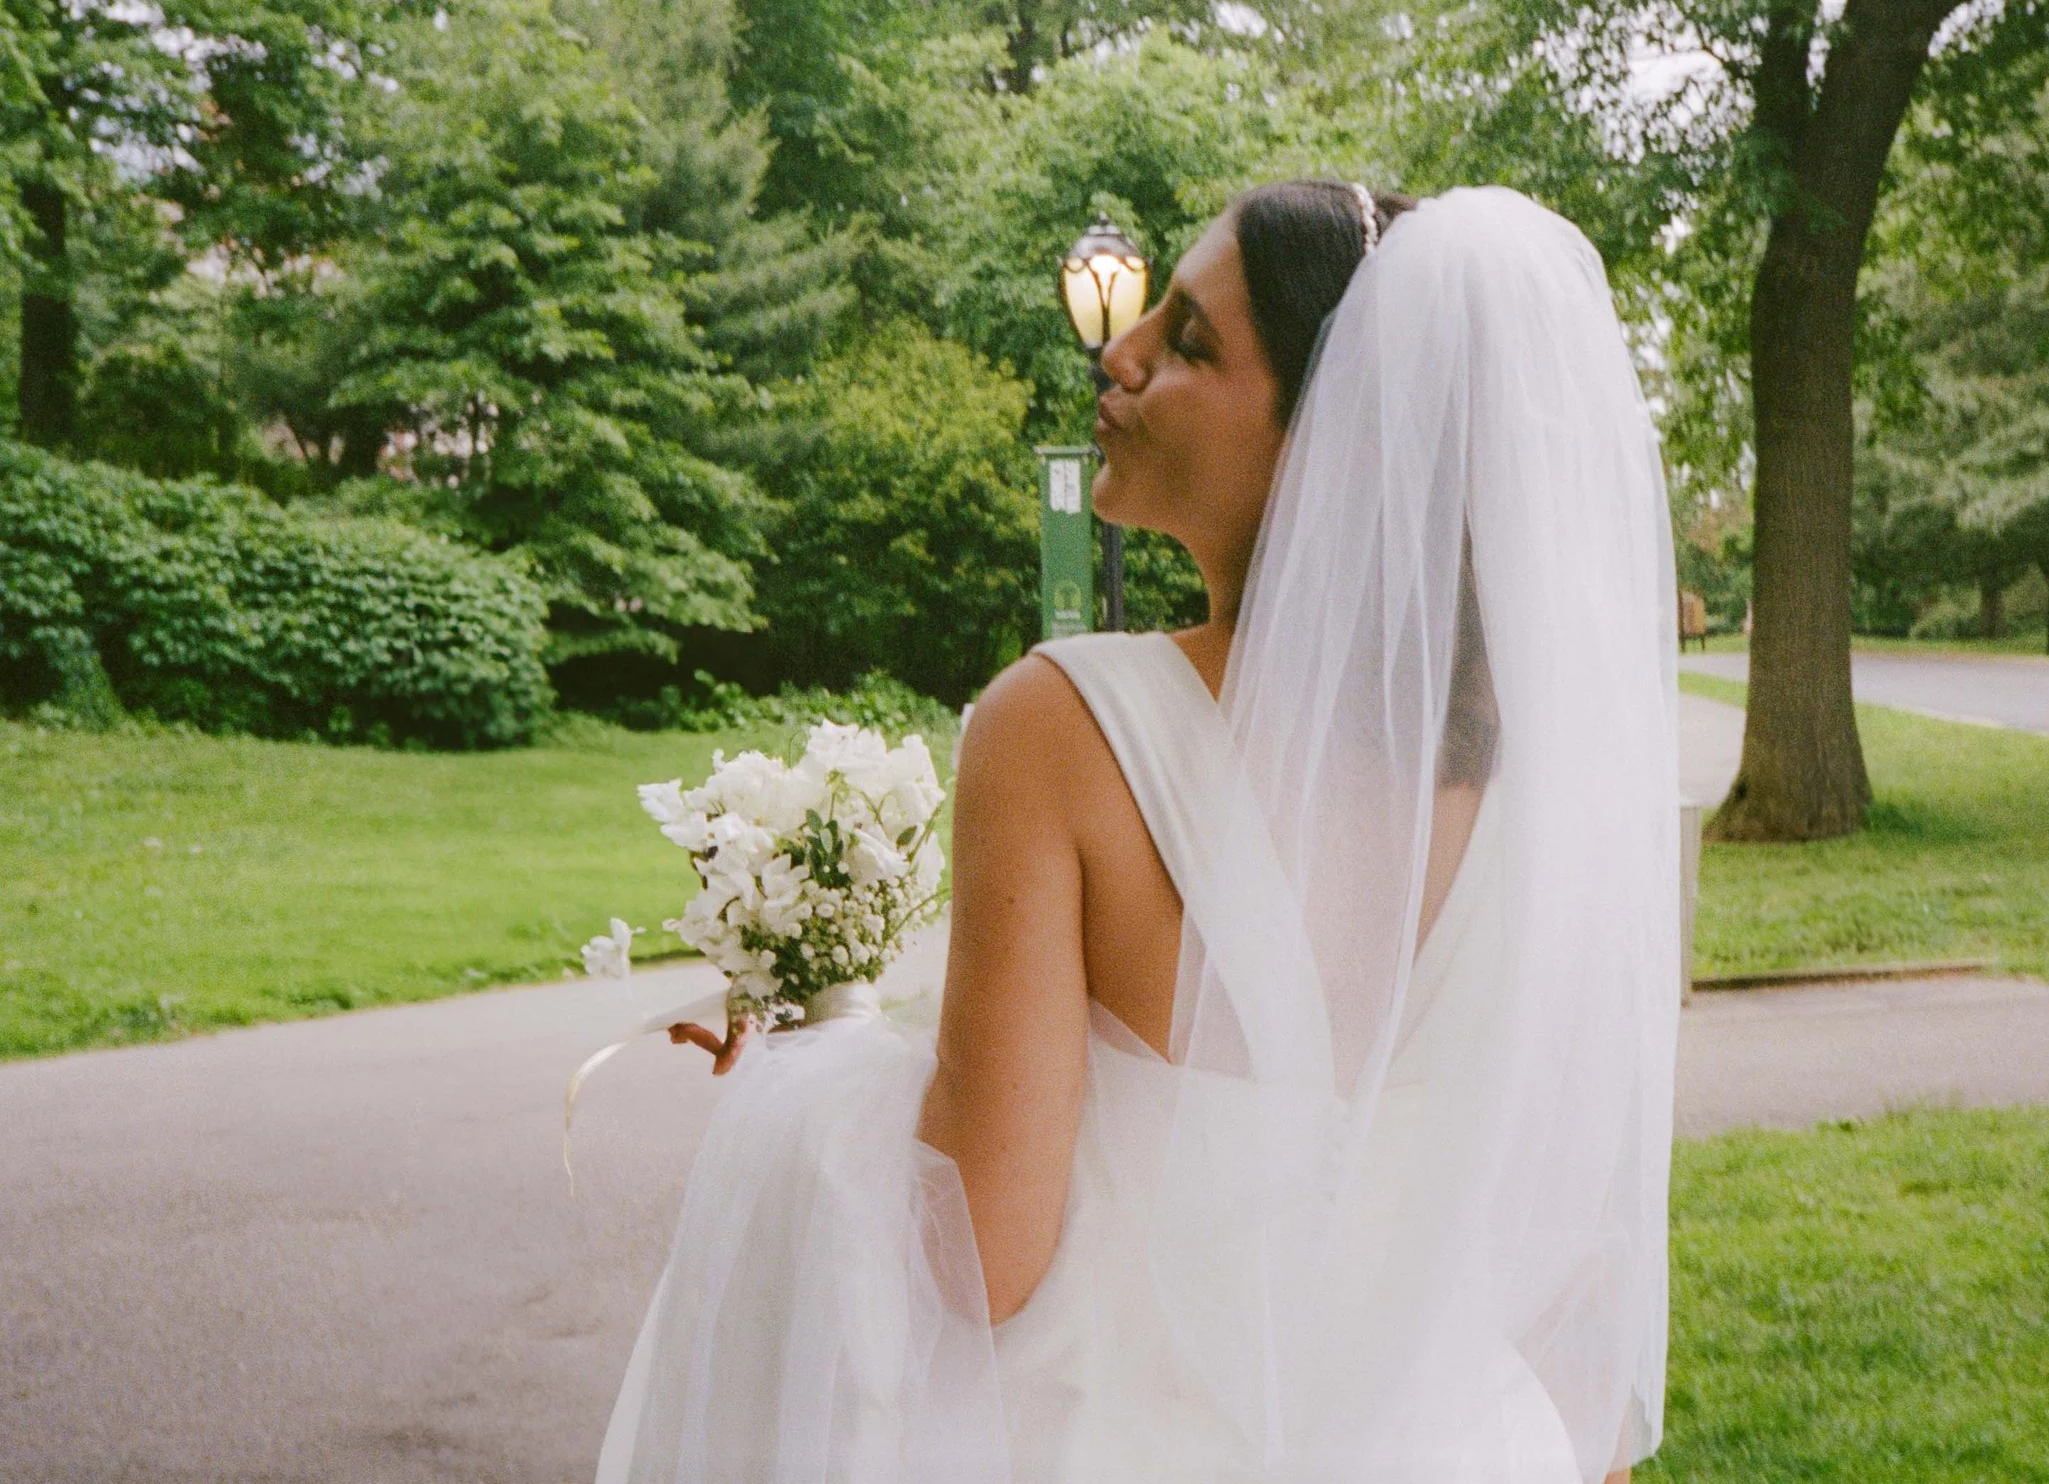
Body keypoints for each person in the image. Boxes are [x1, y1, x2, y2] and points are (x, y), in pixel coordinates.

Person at [598, 183, 1682, 1484]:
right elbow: (1577, 1264)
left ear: (1332, 441)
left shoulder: (1062, 726)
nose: (1120, 354)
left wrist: (803, 1069)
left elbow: (979, 1256)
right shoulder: (1554, 789)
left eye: (1189, 341)